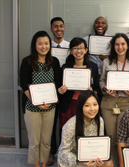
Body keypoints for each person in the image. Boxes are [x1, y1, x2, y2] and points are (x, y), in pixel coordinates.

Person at [20, 30, 61, 167]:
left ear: (50, 45)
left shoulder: (54, 62)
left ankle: (43, 164)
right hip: (32, 107)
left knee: (46, 139)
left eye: (46, 43)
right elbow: (24, 83)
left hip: (50, 107)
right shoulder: (27, 61)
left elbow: (57, 83)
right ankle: (36, 165)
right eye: (40, 44)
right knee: (34, 140)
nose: (44, 46)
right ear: (35, 45)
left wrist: (59, 92)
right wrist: (35, 102)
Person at [100, 33, 129, 166]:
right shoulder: (106, 62)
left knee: (125, 138)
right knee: (112, 138)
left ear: (128, 46)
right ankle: (117, 164)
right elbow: (101, 81)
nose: (120, 47)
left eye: (123, 44)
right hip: (109, 102)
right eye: (117, 44)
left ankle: (126, 164)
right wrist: (105, 88)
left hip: (128, 102)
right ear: (113, 46)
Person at [58, 90, 113, 167]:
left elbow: (100, 144)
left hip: (92, 158)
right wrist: (79, 161)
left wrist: (101, 159)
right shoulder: (71, 124)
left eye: (95, 104)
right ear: (81, 107)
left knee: (109, 163)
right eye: (87, 105)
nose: (92, 109)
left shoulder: (100, 120)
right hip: (75, 161)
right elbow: (62, 153)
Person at [58, 37, 101, 130]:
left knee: (85, 131)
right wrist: (60, 91)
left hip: (87, 105)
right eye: (75, 48)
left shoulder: (92, 66)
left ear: (86, 50)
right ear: (70, 51)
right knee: (68, 131)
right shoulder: (65, 68)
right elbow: (59, 88)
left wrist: (93, 92)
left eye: (81, 48)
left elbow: (97, 88)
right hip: (69, 105)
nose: (78, 51)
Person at [48, 16, 70, 166]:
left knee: (66, 123)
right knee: (50, 124)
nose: (58, 29)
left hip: (67, 89)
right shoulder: (45, 46)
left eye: (61, 26)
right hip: (50, 89)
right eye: (55, 26)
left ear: (64, 28)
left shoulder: (70, 46)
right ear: (51, 30)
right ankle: (51, 153)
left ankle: (65, 152)